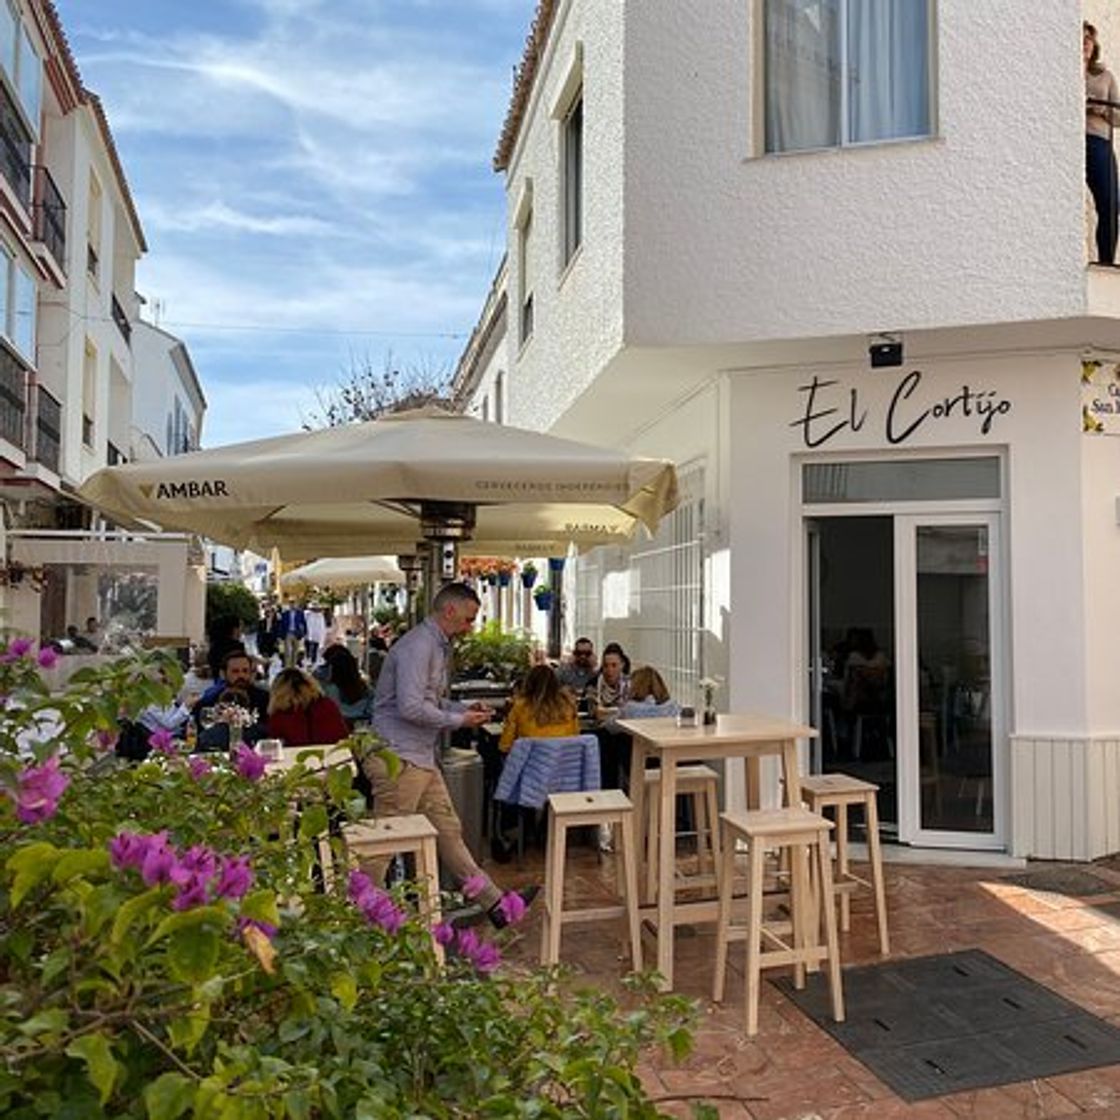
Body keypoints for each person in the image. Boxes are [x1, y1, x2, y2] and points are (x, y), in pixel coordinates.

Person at [368, 581, 536, 926]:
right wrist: (459, 720)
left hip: (416, 756)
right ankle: (352, 920)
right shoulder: (419, 646)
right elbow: (411, 708)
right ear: (450, 611)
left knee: (448, 831)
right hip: (398, 757)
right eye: (468, 618)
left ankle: (495, 905)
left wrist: (461, 708)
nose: (470, 626)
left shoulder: (433, 645)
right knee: (383, 844)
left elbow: (426, 702)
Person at [1086, 22, 1120, 265]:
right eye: (1080, 37)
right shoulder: (1060, 73)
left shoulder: (1105, 76)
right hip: (1070, 141)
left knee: (1110, 203)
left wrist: (1100, 109)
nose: (1085, 42)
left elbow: (1118, 117)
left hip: (1099, 142)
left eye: (1089, 38)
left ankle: (1106, 262)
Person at [499, 665, 580, 752]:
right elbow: (575, 738)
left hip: (533, 763)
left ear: (529, 683)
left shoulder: (521, 707)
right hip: (563, 762)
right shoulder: (569, 706)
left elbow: (505, 746)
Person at [266, 668, 349, 746]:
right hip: (334, 756)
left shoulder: (280, 715)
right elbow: (342, 736)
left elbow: (275, 745)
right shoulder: (327, 705)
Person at [193, 649, 271, 729]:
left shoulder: (264, 699)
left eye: (245, 671)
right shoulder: (209, 701)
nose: (241, 675)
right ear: (223, 674)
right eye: (235, 671)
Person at [321, 645, 374, 727]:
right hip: (361, 729)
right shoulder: (366, 689)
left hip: (335, 727)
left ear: (333, 669)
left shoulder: (327, 689)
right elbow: (372, 711)